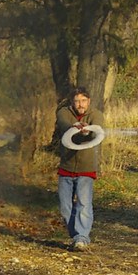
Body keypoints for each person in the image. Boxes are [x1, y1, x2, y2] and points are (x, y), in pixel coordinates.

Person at [54, 88, 102, 251]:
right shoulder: (63, 113)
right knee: (65, 206)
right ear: (72, 102)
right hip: (66, 166)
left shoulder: (96, 114)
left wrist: (87, 131)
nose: (80, 104)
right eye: (77, 101)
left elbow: (98, 130)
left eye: (83, 101)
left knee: (84, 203)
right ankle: (76, 235)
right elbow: (63, 124)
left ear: (88, 101)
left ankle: (81, 238)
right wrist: (74, 126)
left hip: (86, 167)